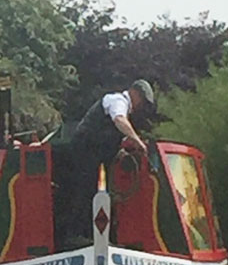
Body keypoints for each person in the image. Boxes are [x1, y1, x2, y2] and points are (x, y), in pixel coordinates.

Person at [58, 79, 156, 246]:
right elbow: (119, 120)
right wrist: (138, 141)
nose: (141, 106)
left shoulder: (123, 108)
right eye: (142, 100)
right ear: (134, 93)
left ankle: (93, 236)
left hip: (93, 153)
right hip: (86, 149)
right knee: (84, 190)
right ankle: (74, 236)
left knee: (95, 192)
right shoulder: (118, 101)